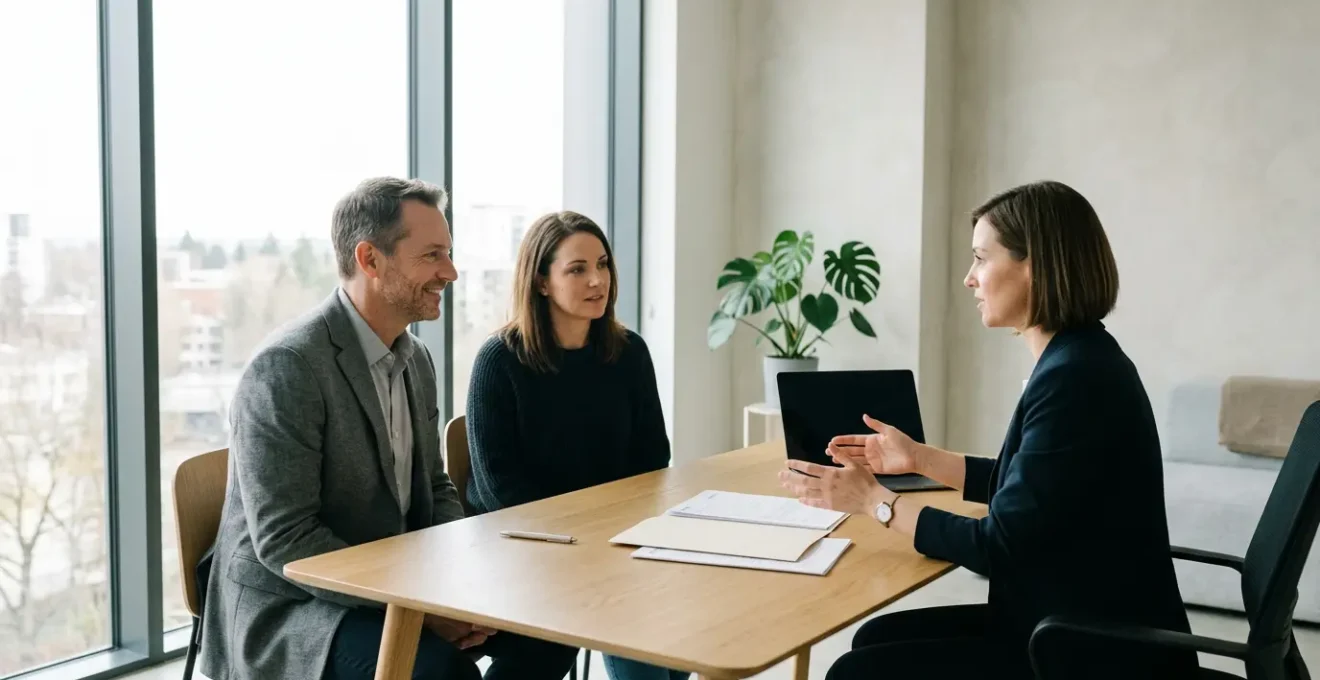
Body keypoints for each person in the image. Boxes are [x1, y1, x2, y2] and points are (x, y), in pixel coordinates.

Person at [779, 181, 1197, 679]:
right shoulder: (1081, 358)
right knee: (873, 639)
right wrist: (918, 459)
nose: (969, 278)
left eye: (981, 258)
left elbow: (997, 545)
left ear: (1035, 265)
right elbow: (1032, 493)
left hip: (1086, 650)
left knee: (857, 672)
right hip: (1066, 616)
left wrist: (875, 501)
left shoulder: (1074, 380)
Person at [199, 177, 579, 680]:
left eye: (449, 253)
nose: (451, 271)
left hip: (391, 583)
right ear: (370, 259)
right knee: (441, 673)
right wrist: (415, 606)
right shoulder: (288, 367)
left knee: (548, 630)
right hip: (296, 608)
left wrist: (456, 585)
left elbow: (436, 488)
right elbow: (286, 541)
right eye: (432, 255)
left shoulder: (415, 358)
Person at [465, 211, 686, 680]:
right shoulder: (499, 361)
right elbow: (499, 489)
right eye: (577, 269)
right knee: (631, 627)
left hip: (614, 542)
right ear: (541, 281)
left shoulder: (629, 352)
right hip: (526, 552)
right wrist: (583, 544)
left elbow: (653, 459)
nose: (597, 280)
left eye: (603, 264)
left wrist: (611, 538)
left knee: (679, 625)